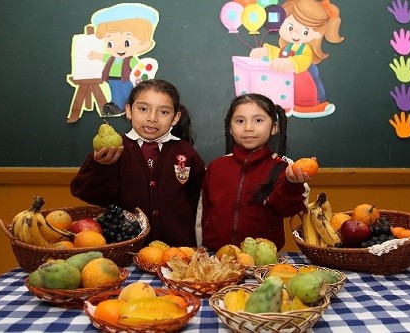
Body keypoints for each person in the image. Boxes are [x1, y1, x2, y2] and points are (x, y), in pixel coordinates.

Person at [71, 79, 205, 247]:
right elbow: (89, 194)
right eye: (143, 109)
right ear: (128, 110)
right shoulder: (114, 147)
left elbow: (196, 201)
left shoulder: (186, 152)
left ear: (176, 117)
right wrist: (101, 167)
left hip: (177, 250)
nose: (152, 118)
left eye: (163, 112)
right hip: (126, 250)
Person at [201, 93, 313, 251]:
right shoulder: (216, 167)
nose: (248, 128)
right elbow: (204, 213)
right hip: (217, 257)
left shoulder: (284, 168)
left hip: (263, 258)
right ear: (230, 128)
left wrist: (292, 184)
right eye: (240, 121)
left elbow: (286, 209)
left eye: (258, 120)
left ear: (274, 127)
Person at [250, 0, 343, 116]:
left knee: (304, 90)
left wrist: (291, 63)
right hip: (288, 84)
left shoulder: (305, 50)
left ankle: (309, 105)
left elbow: (304, 59)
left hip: (304, 80)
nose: (295, 35)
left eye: (305, 32)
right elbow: (279, 53)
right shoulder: (288, 47)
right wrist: (267, 51)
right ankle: (286, 103)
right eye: (290, 28)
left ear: (316, 34)